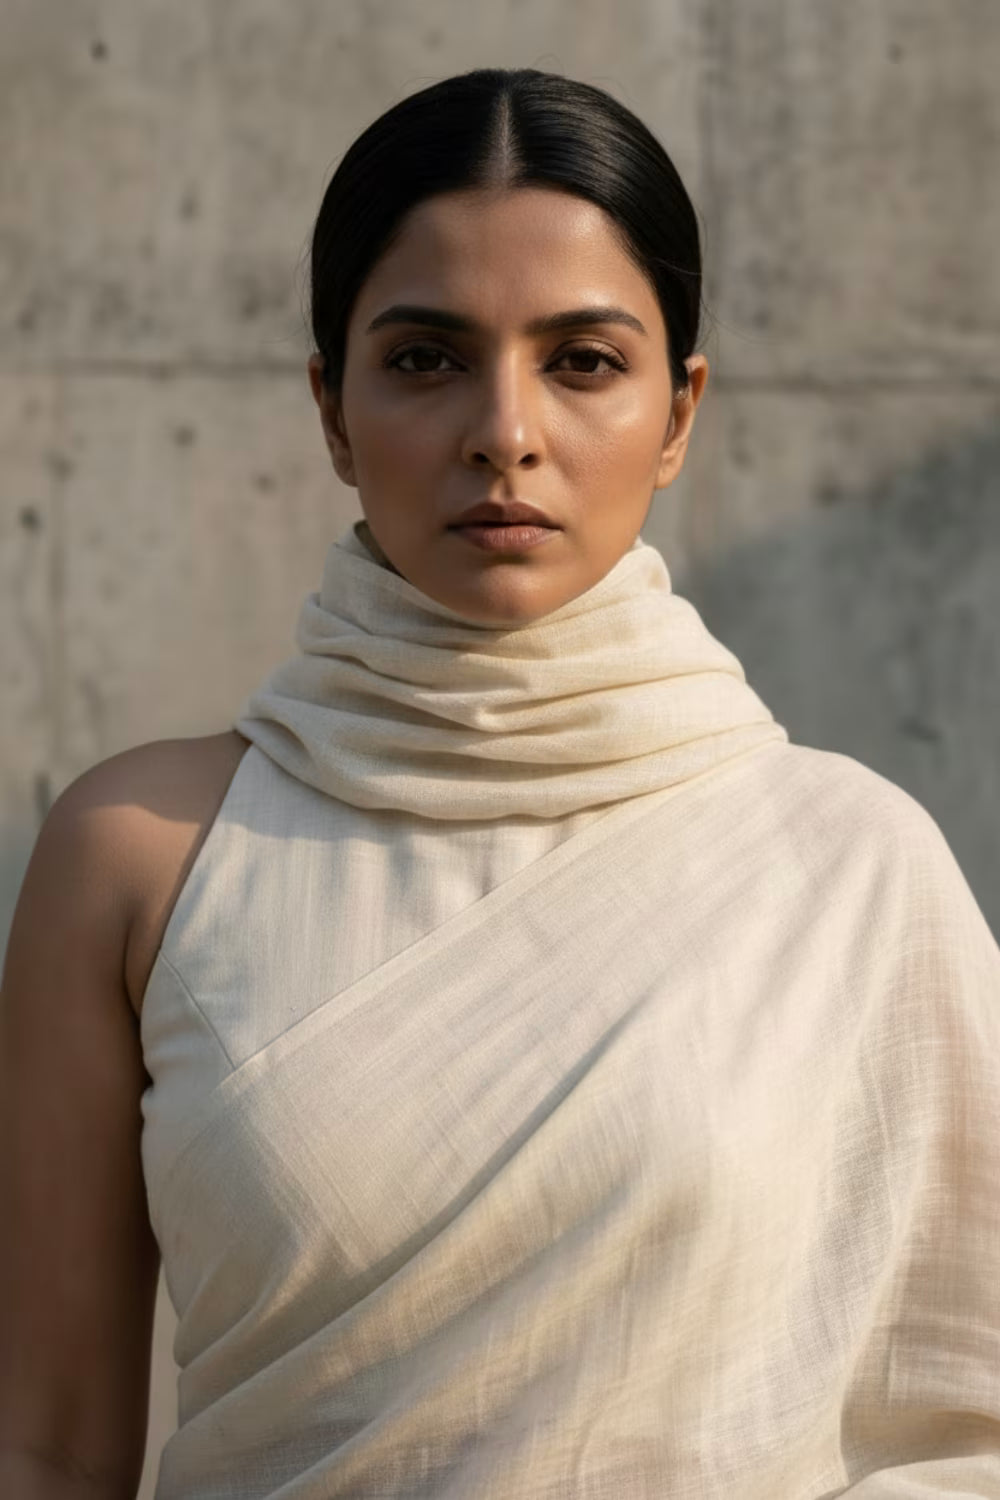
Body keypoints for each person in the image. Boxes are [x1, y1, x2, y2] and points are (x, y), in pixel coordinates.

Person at [2, 66, 998, 1500]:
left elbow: (966, 1415)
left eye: (584, 360)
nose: (505, 431)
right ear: (332, 411)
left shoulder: (850, 870)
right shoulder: (145, 859)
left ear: (678, 414)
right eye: (425, 358)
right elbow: (42, 1446)